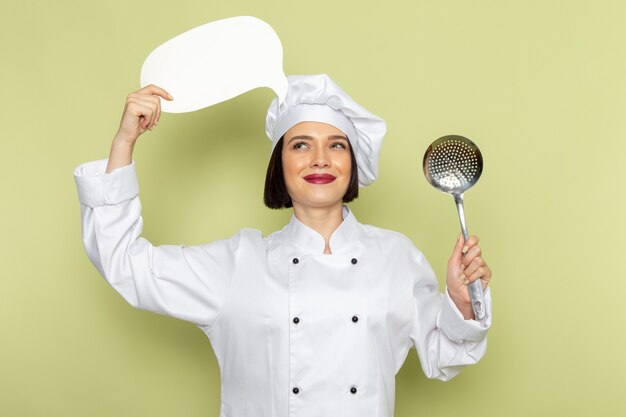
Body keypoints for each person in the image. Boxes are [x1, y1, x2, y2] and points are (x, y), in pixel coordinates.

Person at [74, 74, 492, 417]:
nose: (320, 160)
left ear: (352, 166)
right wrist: (123, 143)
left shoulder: (396, 258)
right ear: (280, 165)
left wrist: (461, 303)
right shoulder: (240, 262)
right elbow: (125, 264)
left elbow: (445, 355)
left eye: (336, 145)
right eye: (301, 144)